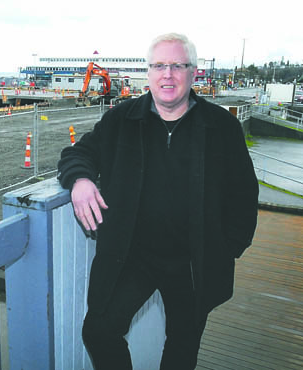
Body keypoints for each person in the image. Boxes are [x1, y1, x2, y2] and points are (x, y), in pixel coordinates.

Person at [57, 33, 259, 369]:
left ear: (193, 73)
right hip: (133, 255)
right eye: (159, 66)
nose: (168, 74)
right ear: (148, 73)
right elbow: (78, 153)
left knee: (182, 345)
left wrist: (228, 248)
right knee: (99, 331)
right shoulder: (122, 119)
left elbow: (244, 192)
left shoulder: (221, 126)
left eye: (177, 65)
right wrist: (80, 180)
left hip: (195, 260)